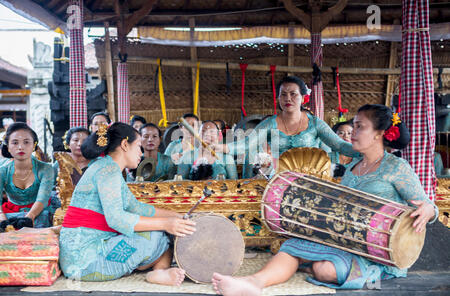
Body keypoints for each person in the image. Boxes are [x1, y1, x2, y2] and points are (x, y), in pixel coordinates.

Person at [212, 104, 438, 296]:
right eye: (354, 125)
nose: (352, 132)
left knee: (325, 270)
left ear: (379, 133)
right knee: (291, 246)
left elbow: (428, 206)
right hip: (344, 241)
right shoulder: (352, 167)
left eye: (360, 127)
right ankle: (253, 283)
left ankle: (354, 274)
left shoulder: (396, 168)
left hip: (378, 254)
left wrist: (429, 209)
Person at [59, 122, 196, 283]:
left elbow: (136, 208)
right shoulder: (107, 171)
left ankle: (160, 272)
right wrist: (166, 224)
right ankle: (157, 270)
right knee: (156, 235)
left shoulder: (108, 168)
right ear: (125, 144)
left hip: (86, 256)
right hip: (85, 263)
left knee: (162, 232)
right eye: (138, 146)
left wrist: (177, 217)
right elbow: (117, 219)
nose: (141, 152)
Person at [214, 76, 358, 176]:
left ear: (302, 97)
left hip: (312, 180)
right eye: (283, 94)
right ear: (278, 98)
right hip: (278, 179)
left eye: (293, 94)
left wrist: (362, 151)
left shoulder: (314, 122)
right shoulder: (269, 123)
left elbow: (339, 145)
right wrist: (222, 147)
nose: (288, 98)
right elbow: (247, 144)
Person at [0, 122, 55, 228]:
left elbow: (42, 199)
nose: (20, 147)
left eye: (26, 142)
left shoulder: (46, 169)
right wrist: (2, 220)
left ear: (34, 145)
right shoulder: (2, 171)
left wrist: (29, 217)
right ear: (8, 147)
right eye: (15, 143)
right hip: (10, 212)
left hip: (39, 212)